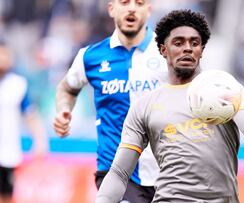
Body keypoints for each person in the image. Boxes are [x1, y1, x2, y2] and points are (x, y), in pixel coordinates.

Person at [96, 9, 244, 203]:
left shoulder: (225, 88)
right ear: (163, 49)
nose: (187, 48)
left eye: (194, 43)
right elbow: (119, 172)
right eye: (178, 43)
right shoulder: (144, 106)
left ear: (202, 50)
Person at [52, 0, 168, 202]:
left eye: (139, 3)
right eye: (124, 2)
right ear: (111, 8)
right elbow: (67, 87)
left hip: (166, 171)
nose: (131, 8)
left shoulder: (169, 53)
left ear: (148, 10)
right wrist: (64, 110)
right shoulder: (90, 57)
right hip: (115, 171)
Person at [0, 43, 48, 203]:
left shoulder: (17, 85)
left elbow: (30, 114)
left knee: (6, 194)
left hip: (7, 152)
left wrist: (40, 140)